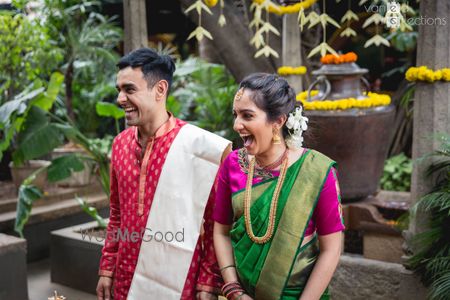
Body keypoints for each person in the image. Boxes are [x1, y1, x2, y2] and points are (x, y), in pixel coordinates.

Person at [96, 48, 231, 300]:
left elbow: (215, 222)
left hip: (180, 282)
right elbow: (117, 213)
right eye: (119, 90)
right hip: (125, 277)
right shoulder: (120, 144)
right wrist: (107, 268)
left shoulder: (199, 148)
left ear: (160, 90)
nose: (120, 99)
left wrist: (207, 283)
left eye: (129, 89)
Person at [213, 73, 344, 300]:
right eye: (235, 115)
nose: (236, 125)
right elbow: (221, 232)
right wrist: (234, 290)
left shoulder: (316, 171)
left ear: (278, 121)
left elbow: (331, 249)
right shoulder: (233, 164)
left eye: (247, 116)